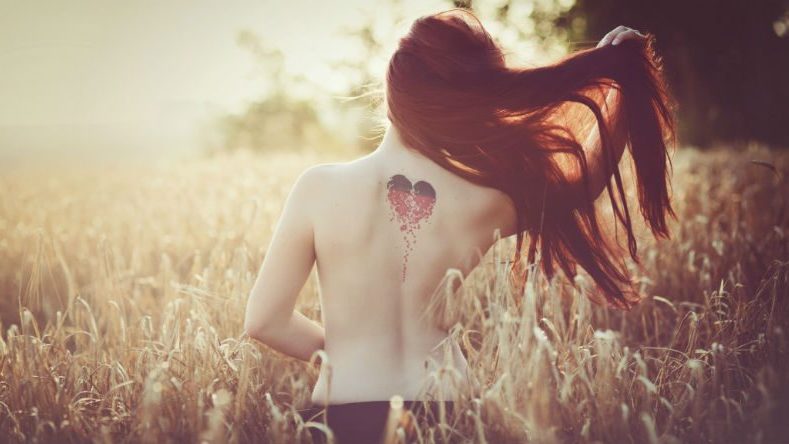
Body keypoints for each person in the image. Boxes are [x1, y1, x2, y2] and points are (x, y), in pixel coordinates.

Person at [242, 7, 675, 443]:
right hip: (447, 415)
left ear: (393, 90)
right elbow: (583, 181)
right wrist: (620, 85)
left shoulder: (317, 188)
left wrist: (347, 353)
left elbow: (264, 321)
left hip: (339, 418)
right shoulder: (483, 198)